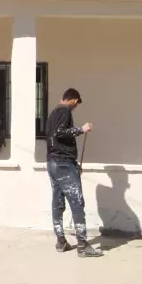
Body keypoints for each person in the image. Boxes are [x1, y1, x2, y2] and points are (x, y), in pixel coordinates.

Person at [45, 88, 103, 256]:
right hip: (63, 164)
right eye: (76, 104)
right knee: (77, 202)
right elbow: (60, 133)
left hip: (53, 163)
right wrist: (81, 129)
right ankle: (83, 246)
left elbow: (53, 136)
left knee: (57, 202)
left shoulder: (52, 113)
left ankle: (61, 242)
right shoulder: (64, 110)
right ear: (73, 100)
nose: (75, 107)